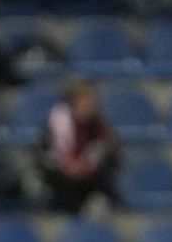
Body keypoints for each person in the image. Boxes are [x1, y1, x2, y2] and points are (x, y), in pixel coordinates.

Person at [39, 80, 121, 215]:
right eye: (84, 101)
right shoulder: (55, 124)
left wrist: (90, 164)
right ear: (73, 103)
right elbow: (45, 155)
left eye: (91, 100)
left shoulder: (100, 127)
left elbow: (109, 153)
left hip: (92, 183)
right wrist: (68, 165)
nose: (90, 105)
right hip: (60, 184)